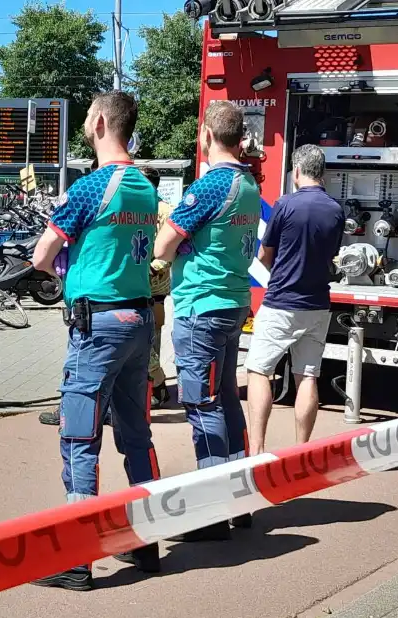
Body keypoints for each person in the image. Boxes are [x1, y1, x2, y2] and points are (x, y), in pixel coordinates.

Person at [30, 91, 162, 590]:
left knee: (79, 437)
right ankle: (149, 539)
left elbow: (43, 255)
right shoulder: (145, 188)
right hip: (139, 321)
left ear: (102, 121)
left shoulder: (90, 188)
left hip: (97, 326)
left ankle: (77, 559)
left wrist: (61, 265)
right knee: (136, 435)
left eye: (88, 115)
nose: (85, 121)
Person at [152, 100, 261, 541]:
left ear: (206, 136)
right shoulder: (248, 183)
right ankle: (239, 497)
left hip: (203, 304)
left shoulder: (212, 185)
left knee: (202, 403)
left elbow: (163, 243)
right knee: (226, 399)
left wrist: (173, 250)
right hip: (233, 301)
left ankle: (211, 510)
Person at [245, 144, 344, 454]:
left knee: (260, 370)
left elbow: (264, 254)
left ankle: (258, 448)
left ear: (297, 172)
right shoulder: (336, 209)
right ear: (322, 173)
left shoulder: (285, 205)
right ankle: (301, 449)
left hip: (281, 301)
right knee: (308, 375)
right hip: (317, 304)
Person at [140, 166, 174, 406]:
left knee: (152, 340)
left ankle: (156, 389)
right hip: (138, 286)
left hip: (155, 289)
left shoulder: (164, 210)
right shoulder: (139, 207)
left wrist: (153, 268)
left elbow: (171, 250)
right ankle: (151, 388)